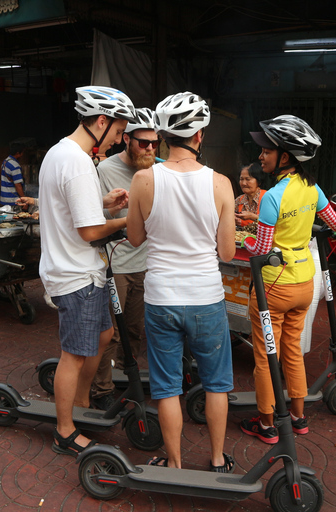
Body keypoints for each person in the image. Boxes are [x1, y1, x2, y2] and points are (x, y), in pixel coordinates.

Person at [127, 92, 236, 472]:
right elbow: (226, 253)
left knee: (167, 386)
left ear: (163, 136)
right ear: (200, 135)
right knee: (217, 384)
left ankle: (173, 463)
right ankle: (219, 459)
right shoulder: (221, 184)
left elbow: (136, 239)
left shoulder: (143, 180)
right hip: (206, 296)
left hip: (161, 296)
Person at [38, 85, 135, 457]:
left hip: (75, 267)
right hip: (75, 272)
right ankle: (65, 430)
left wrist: (104, 203)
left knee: (103, 334)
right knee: (74, 354)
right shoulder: (78, 163)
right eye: (117, 131)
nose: (118, 139)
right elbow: (90, 231)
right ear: (100, 121)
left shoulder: (61, 153)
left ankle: (79, 405)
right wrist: (128, 218)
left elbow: (74, 209)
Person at [240, 115, 336, 443]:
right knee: (291, 352)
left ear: (284, 157)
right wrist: (304, 225)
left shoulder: (272, 197)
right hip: (305, 284)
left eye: (266, 151)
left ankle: (268, 422)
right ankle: (299, 417)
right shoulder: (313, 188)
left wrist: (242, 238)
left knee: (264, 356)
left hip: (273, 286)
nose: (260, 156)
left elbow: (261, 246)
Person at [90, 107, 158, 410]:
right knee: (111, 333)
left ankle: (122, 376)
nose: (150, 149)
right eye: (144, 143)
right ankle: (102, 389)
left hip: (146, 264)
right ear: (127, 139)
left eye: (155, 144)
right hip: (115, 263)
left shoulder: (157, 169)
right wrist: (114, 210)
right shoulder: (105, 171)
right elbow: (94, 217)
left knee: (133, 330)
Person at [234, 162, 266, 234]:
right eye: (241, 179)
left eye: (248, 179)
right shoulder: (239, 200)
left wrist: (252, 217)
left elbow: (274, 223)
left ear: (259, 181)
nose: (244, 183)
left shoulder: (267, 198)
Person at [0, 141, 26, 207]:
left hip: (4, 198)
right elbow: (18, 185)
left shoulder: (5, 162)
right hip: (13, 200)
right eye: (22, 153)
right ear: (18, 153)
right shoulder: (15, 166)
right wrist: (24, 200)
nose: (22, 155)